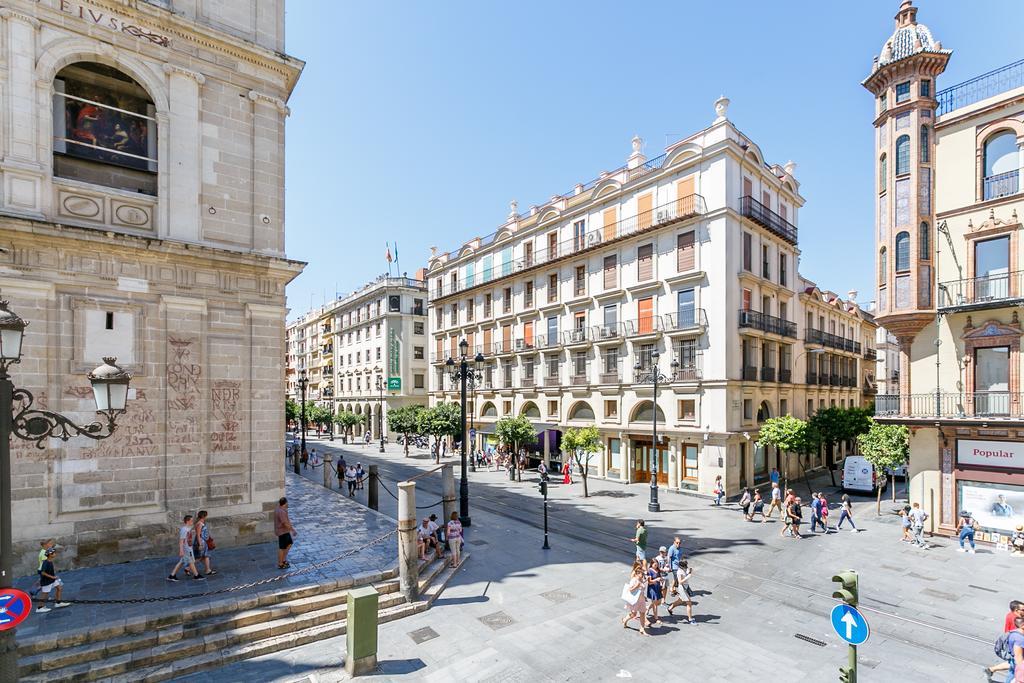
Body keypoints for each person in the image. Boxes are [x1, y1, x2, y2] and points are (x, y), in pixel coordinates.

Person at [168, 514, 203, 581]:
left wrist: (198, 522)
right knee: (191, 562)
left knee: (181, 562)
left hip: (188, 548)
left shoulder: (188, 528)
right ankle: (196, 575)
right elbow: (181, 541)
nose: (192, 522)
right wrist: (181, 551)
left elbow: (193, 526)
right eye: (191, 520)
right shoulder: (184, 530)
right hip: (186, 549)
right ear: (187, 521)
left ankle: (172, 575)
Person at [35, 548, 70, 613]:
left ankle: (58, 603)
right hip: (47, 581)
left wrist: (54, 577)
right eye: (54, 553)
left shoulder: (50, 561)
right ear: (50, 555)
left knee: (59, 588)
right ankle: (39, 608)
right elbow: (43, 572)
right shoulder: (46, 562)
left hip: (52, 579)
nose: (55, 554)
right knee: (45, 594)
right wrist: (52, 577)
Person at [620, 562, 648, 635]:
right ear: (637, 573)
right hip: (635, 600)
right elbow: (630, 590)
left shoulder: (641, 580)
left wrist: (644, 596)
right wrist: (637, 586)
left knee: (642, 613)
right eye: (642, 574)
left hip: (641, 599)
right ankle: (625, 620)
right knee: (633, 614)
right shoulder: (634, 580)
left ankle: (642, 629)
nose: (643, 576)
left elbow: (641, 590)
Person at [665, 559, 695, 624]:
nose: (686, 566)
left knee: (680, 601)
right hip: (682, 588)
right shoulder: (679, 572)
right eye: (685, 565)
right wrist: (688, 577)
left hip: (685, 587)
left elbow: (686, 572)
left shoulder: (684, 569)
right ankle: (690, 619)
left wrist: (689, 572)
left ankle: (670, 608)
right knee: (689, 603)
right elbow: (680, 582)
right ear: (682, 566)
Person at [275, 497, 296, 570]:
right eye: (287, 502)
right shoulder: (281, 511)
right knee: (282, 547)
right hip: (282, 532)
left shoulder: (281, 509)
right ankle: (280, 563)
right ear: (285, 503)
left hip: (285, 531)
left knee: (289, 543)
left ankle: (283, 559)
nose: (288, 504)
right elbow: (284, 523)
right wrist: (292, 530)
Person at [194, 510, 216, 576]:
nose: (206, 517)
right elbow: (198, 534)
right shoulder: (200, 524)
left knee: (204, 556)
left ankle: (208, 570)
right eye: (206, 515)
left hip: (204, 540)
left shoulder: (201, 522)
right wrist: (200, 544)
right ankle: (188, 567)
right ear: (204, 516)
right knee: (203, 556)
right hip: (202, 541)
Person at [1005, 616, 1024, 683]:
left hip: (1013, 659)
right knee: (1014, 677)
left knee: (1011, 675)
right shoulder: (1020, 639)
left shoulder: (1014, 632)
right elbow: (1019, 658)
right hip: (1018, 663)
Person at [645, 559, 663, 626]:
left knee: (659, 602)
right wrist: (656, 579)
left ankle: (648, 608)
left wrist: (661, 579)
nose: (656, 566)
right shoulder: (649, 571)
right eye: (655, 564)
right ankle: (656, 618)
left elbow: (660, 576)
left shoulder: (657, 570)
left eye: (657, 564)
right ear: (652, 564)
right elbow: (649, 582)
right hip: (652, 589)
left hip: (658, 588)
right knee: (655, 603)